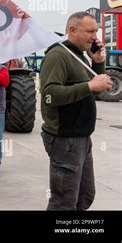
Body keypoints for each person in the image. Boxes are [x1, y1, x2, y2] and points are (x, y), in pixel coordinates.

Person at [40, 12, 112, 210]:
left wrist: (97, 61)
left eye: (96, 31)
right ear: (72, 30)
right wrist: (88, 86)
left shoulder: (78, 55)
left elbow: (95, 90)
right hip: (65, 139)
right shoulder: (58, 55)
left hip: (81, 137)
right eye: (90, 31)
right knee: (63, 201)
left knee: (85, 196)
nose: (94, 36)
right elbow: (49, 95)